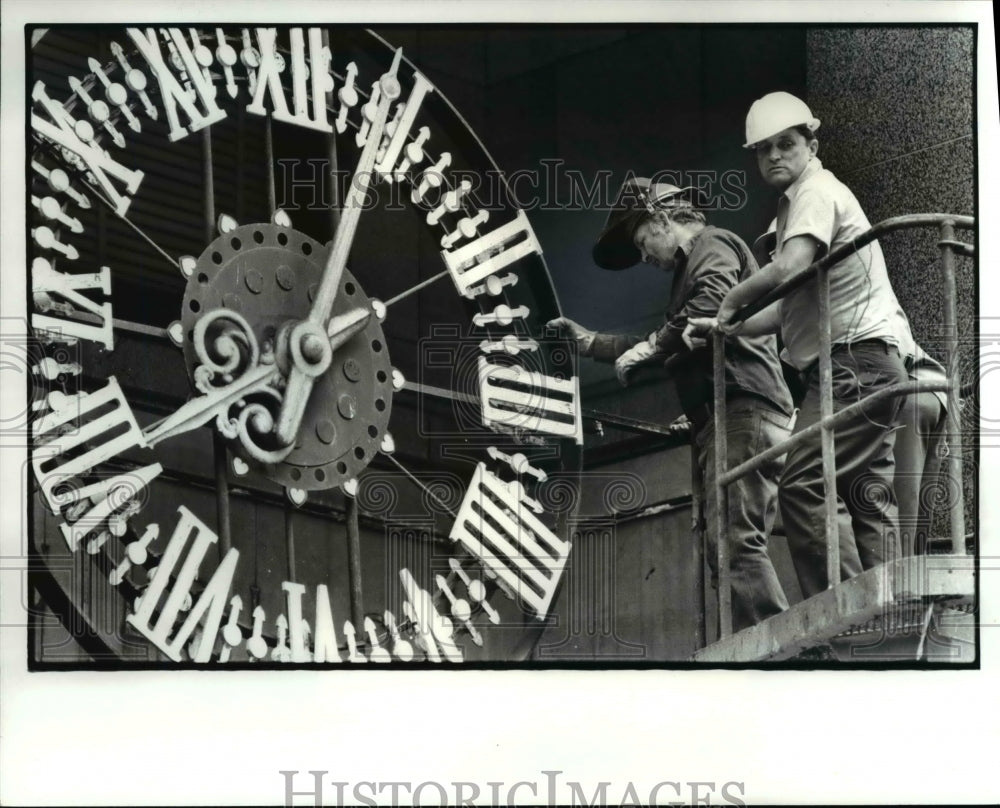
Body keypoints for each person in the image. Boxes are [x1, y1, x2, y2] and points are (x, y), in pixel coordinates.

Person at [685, 91, 912, 598]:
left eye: (785, 143)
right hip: (866, 362)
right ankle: (892, 609)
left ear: (811, 143)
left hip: (854, 362)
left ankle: (846, 613)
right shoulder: (793, 211)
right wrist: (724, 326)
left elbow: (787, 268)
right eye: (763, 150)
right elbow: (782, 310)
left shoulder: (816, 192)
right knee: (866, 494)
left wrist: (729, 302)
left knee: (803, 484)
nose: (774, 156)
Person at [549, 178, 793, 631]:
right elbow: (676, 332)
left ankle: (779, 646)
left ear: (662, 220)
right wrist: (591, 344)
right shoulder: (692, 267)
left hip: (742, 409)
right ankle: (765, 640)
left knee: (734, 542)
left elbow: (712, 304)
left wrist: (648, 349)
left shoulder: (711, 244)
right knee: (725, 545)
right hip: (730, 414)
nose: (645, 257)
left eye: (643, 243)